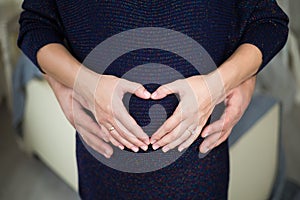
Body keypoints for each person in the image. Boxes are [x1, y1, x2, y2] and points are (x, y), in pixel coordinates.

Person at [18, 1, 288, 199]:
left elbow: (269, 23)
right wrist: (71, 83)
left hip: (198, 172)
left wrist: (226, 82)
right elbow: (35, 24)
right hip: (103, 168)